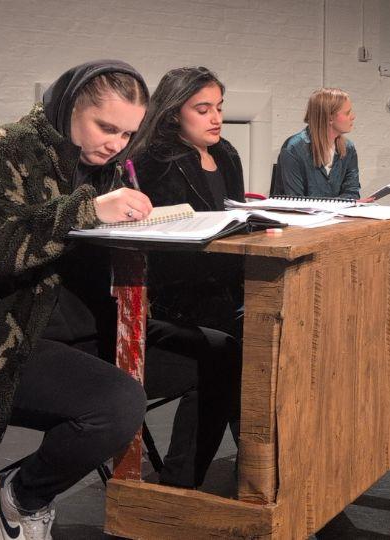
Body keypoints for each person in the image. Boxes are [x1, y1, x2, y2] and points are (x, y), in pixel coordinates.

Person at [0, 60, 234, 540]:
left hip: (82, 325)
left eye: (127, 134)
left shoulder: (103, 163)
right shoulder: (6, 152)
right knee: (119, 404)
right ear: (70, 106)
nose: (117, 144)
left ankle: (173, 496)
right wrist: (85, 210)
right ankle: (19, 495)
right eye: (106, 128)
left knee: (220, 355)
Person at [125, 65, 243, 479]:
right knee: (238, 356)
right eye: (203, 109)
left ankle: (260, 461)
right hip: (175, 296)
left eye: (219, 108)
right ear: (175, 113)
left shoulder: (226, 153)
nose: (216, 118)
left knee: (276, 342)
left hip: (225, 286)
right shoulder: (152, 160)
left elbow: (233, 219)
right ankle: (183, 479)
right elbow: (154, 242)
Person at [277, 87, 360, 199]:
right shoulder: (293, 149)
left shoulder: (348, 148)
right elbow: (295, 201)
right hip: (302, 216)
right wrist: (336, 206)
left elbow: (352, 192)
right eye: (347, 113)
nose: (353, 117)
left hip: (337, 216)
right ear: (330, 118)